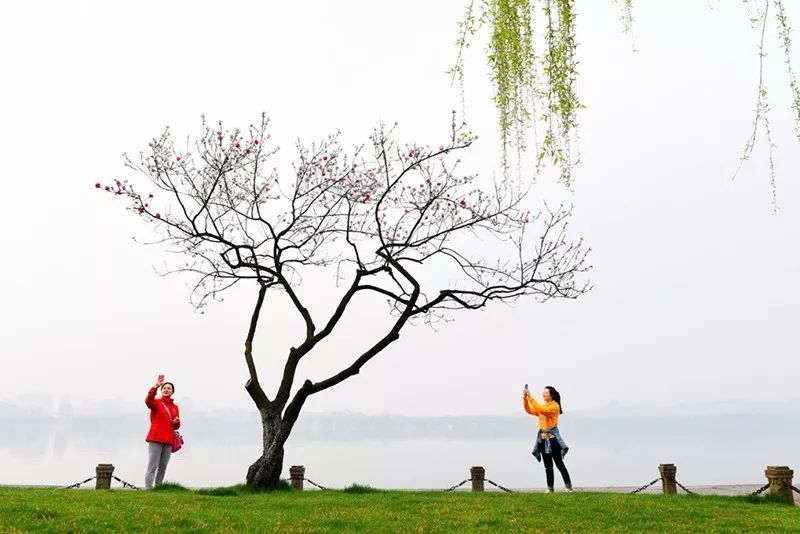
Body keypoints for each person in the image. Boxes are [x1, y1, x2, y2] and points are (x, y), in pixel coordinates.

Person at [523, 384, 573, 492]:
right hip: (542, 439)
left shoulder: (554, 406)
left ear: (552, 395)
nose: (543, 394)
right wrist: (525, 398)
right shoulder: (544, 406)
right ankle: (550, 489)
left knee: (559, 464)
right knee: (547, 466)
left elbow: (541, 409)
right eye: (543, 393)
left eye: (545, 393)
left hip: (553, 439)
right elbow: (529, 410)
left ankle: (569, 487)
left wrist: (530, 397)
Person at [144, 376, 180, 489]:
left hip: (168, 440)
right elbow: (148, 400)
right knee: (152, 466)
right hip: (155, 439)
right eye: (164, 388)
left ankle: (158, 488)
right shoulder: (156, 403)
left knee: (163, 466)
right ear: (161, 390)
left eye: (169, 388)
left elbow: (176, 426)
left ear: (172, 392)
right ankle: (149, 489)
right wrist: (155, 386)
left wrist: (176, 422)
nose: (166, 390)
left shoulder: (175, 407)